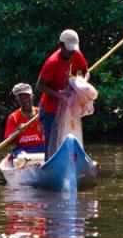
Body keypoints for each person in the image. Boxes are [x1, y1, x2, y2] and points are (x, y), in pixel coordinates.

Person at [35, 29, 89, 159]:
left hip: (68, 108)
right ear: (60, 45)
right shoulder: (52, 63)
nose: (71, 53)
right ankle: (50, 166)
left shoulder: (75, 53)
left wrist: (81, 83)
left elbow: (85, 71)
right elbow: (39, 85)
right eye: (68, 49)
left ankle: (69, 163)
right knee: (51, 145)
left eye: (73, 50)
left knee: (67, 139)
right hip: (50, 110)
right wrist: (60, 97)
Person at [4, 83, 45, 159]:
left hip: (41, 147)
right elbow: (7, 142)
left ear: (32, 97)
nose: (25, 100)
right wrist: (17, 130)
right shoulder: (13, 117)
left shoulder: (41, 113)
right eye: (21, 98)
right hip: (22, 149)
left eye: (27, 97)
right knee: (21, 157)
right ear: (17, 99)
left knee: (51, 151)